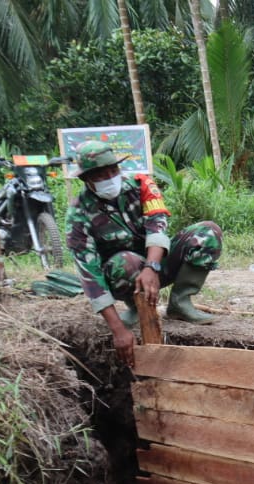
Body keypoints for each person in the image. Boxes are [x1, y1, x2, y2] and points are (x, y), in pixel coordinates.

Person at [66, 140, 223, 365]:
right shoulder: (79, 215)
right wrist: (118, 330)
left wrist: (152, 267)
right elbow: (89, 275)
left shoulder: (141, 185)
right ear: (86, 179)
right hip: (122, 275)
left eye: (114, 170)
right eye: (101, 175)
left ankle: (180, 302)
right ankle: (135, 308)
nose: (110, 178)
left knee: (208, 232)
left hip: (157, 266)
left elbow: (157, 225)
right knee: (126, 261)